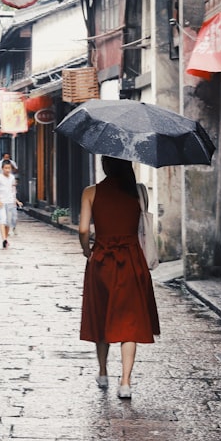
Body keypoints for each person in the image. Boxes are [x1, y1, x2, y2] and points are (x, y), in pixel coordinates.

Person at [78, 156, 160, 399]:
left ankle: (103, 372)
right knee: (129, 321)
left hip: (102, 260)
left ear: (105, 166)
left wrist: (86, 250)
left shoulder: (91, 192)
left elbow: (83, 230)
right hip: (132, 260)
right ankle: (125, 382)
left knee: (102, 316)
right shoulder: (138, 192)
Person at [0, 160, 22, 248]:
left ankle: (6, 238)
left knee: (8, 222)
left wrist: (16, 200)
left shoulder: (12, 178)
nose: (7, 170)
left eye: (9, 168)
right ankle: (4, 239)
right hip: (1, 202)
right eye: (6, 168)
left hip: (10, 202)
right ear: (2, 168)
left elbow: (12, 191)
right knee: (3, 220)